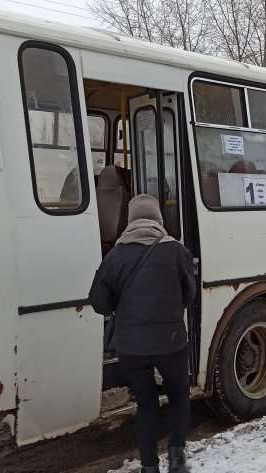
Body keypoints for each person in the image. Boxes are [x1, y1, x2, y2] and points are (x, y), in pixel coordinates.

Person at [90, 194, 196, 473]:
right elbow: (189, 294)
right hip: (171, 342)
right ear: (159, 219)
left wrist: (122, 308)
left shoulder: (115, 255)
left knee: (146, 405)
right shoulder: (177, 251)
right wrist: (170, 312)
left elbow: (99, 303)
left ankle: (149, 467)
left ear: (130, 220)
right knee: (179, 395)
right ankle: (177, 458)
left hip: (131, 348)